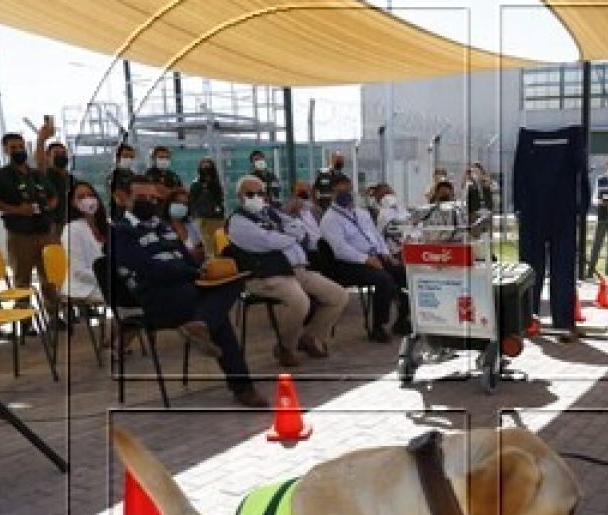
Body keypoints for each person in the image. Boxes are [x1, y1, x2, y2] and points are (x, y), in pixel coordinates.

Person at [110, 175, 267, 407]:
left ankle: (201, 324)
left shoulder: (164, 227)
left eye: (153, 198)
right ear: (124, 199)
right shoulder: (120, 233)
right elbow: (150, 270)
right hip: (156, 299)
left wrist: (199, 269)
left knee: (233, 281)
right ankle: (242, 386)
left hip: (187, 290)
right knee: (217, 316)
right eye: (141, 198)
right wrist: (188, 272)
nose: (149, 202)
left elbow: (189, 261)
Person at [226, 175, 349, 366]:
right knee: (300, 302)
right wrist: (289, 236)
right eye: (250, 194)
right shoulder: (238, 222)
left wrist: (285, 234)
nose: (256, 197)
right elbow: (268, 242)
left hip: (298, 270)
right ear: (239, 197)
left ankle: (311, 336)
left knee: (339, 296)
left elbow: (299, 227)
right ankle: (285, 347)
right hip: (267, 275)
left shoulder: (270, 213)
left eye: (260, 193)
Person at [319, 173, 410, 343]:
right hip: (348, 264)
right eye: (340, 192)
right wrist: (365, 259)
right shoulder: (329, 220)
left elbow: (375, 235)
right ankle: (378, 327)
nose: (345, 194)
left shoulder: (361, 213)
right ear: (332, 194)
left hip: (374, 257)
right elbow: (340, 249)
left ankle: (402, 320)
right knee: (385, 280)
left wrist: (386, 254)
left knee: (405, 275)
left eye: (348, 190)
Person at [0, 131, 58, 315]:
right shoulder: (1, 175)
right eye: (13, 148)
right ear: (5, 150)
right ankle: (24, 319)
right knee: (22, 278)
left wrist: (49, 205)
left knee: (48, 274)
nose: (18, 150)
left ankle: (54, 315)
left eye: (21, 147)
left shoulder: (36, 174)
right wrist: (17, 210)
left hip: (44, 229)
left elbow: (52, 195)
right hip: (20, 232)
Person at [61, 180, 108, 304]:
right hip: (84, 286)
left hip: (106, 280)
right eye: (81, 197)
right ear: (72, 203)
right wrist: (109, 278)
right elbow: (79, 271)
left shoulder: (105, 225)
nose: (88, 199)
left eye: (91, 195)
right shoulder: (72, 230)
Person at [34, 118, 74, 241]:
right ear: (48, 156)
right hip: (53, 226)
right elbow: (39, 162)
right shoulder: (46, 174)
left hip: (71, 224)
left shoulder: (70, 178)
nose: (61, 156)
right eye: (56, 153)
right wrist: (41, 140)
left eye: (64, 153)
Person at [189, 157, 226, 250]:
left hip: (217, 217)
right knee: (206, 243)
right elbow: (192, 200)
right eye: (203, 164)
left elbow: (220, 198)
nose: (206, 166)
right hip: (202, 218)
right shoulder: (196, 184)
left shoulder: (216, 184)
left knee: (219, 242)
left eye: (208, 164)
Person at [165, 186, 205, 261]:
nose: (181, 206)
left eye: (185, 204)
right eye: (178, 202)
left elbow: (202, 250)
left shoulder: (192, 225)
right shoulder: (161, 227)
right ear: (169, 204)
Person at [144, 145, 183, 210]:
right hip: (155, 210)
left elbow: (181, 191)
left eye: (167, 158)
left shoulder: (173, 175)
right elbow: (159, 192)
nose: (164, 160)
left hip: (171, 210)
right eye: (161, 157)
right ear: (154, 159)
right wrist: (173, 192)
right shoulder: (149, 174)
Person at [463, 162, 495, 237]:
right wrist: (466, 180)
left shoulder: (486, 181)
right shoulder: (469, 184)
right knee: (475, 236)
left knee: (487, 236)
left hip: (487, 212)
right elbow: (464, 195)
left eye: (477, 171)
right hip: (474, 212)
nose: (475, 173)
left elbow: (493, 188)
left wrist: (485, 181)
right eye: (473, 171)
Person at [108, 142, 137, 220]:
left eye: (131, 157)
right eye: (125, 156)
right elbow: (118, 196)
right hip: (118, 215)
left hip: (133, 216)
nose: (128, 159)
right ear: (118, 158)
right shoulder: (113, 175)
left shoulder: (133, 175)